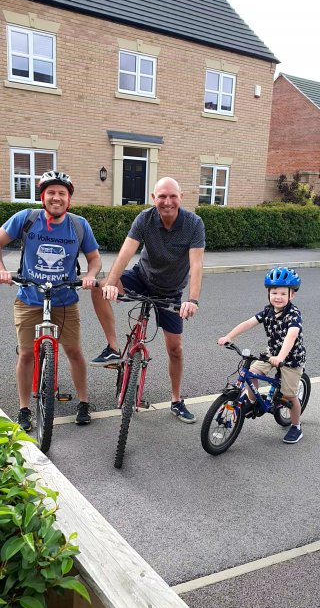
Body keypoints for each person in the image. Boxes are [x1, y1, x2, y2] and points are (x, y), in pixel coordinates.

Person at [90, 176, 205, 423]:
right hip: (142, 278)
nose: (167, 201)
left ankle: (176, 400)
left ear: (181, 198)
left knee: (175, 349)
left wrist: (192, 300)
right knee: (99, 288)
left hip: (171, 291)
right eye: (162, 196)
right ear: (154, 198)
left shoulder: (194, 224)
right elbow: (126, 252)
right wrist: (111, 284)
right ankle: (113, 348)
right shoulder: (145, 218)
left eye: (172, 196)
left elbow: (196, 265)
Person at [0, 170, 101, 431]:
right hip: (29, 298)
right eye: (51, 193)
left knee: (74, 351)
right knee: (25, 354)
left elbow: (94, 259)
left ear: (69, 199)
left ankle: (83, 401)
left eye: (62, 193)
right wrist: (2, 269)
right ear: (43, 196)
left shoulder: (79, 225)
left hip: (65, 299)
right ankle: (24, 409)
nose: (56, 198)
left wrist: (90, 276)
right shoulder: (27, 219)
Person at [218, 267, 306, 444]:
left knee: (289, 396)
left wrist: (281, 357)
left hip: (291, 359)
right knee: (253, 371)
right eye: (274, 292)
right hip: (272, 353)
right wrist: (229, 336)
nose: (278, 297)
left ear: (292, 295)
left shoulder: (293, 314)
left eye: (283, 293)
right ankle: (251, 400)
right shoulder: (267, 311)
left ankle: (296, 426)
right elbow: (248, 323)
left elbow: (292, 335)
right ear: (268, 293)